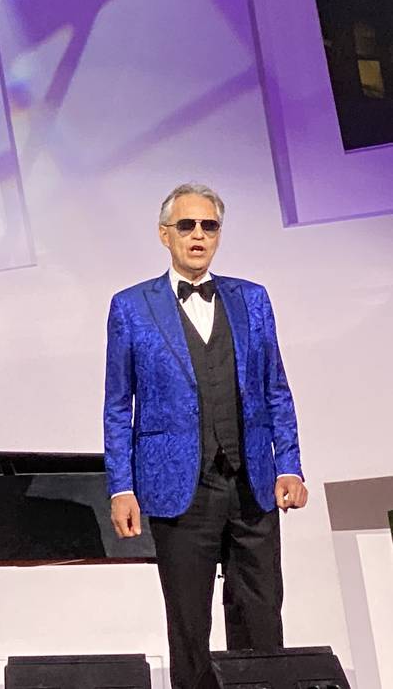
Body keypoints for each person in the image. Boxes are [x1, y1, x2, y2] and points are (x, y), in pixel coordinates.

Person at [102, 183, 307, 689]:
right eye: (187, 225)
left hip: (252, 482)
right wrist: (121, 486)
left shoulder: (252, 299)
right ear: (164, 234)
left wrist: (289, 464)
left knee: (261, 618)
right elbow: (116, 404)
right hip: (179, 489)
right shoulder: (131, 307)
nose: (198, 235)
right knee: (189, 627)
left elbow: (275, 387)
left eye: (208, 225)